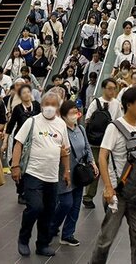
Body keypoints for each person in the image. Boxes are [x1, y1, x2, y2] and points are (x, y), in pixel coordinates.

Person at [91, 87, 136, 264]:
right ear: (129, 105)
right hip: (118, 192)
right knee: (106, 239)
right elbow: (102, 157)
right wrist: (108, 187)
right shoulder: (114, 127)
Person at [11, 91, 71, 257]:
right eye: (47, 104)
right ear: (42, 105)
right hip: (33, 173)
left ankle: (42, 244)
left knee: (48, 211)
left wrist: (67, 171)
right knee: (35, 207)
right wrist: (15, 166)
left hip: (52, 176)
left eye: (53, 105)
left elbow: (65, 150)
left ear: (58, 107)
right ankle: (23, 239)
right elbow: (18, 144)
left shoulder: (61, 124)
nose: (50, 107)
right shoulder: (32, 121)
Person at [50, 100, 97, 248]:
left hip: (79, 173)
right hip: (63, 172)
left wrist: (92, 162)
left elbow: (87, 147)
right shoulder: (60, 130)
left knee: (76, 205)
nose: (75, 115)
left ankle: (68, 234)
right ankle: (51, 226)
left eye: (76, 112)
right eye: (71, 112)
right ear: (63, 115)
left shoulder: (80, 129)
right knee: (66, 203)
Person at [83, 78, 122, 209]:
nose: (112, 91)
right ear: (103, 89)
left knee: (110, 170)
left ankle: (111, 194)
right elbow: (87, 120)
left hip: (110, 142)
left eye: (114, 89)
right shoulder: (96, 102)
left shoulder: (117, 104)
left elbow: (119, 121)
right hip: (96, 142)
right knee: (95, 169)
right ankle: (88, 196)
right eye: (109, 88)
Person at [4, 84, 40, 203]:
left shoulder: (36, 105)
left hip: (35, 140)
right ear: (20, 95)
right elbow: (10, 126)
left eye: (28, 92)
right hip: (21, 140)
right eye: (24, 93)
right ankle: (21, 192)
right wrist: (5, 142)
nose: (26, 95)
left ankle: (31, 190)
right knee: (20, 165)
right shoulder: (17, 108)